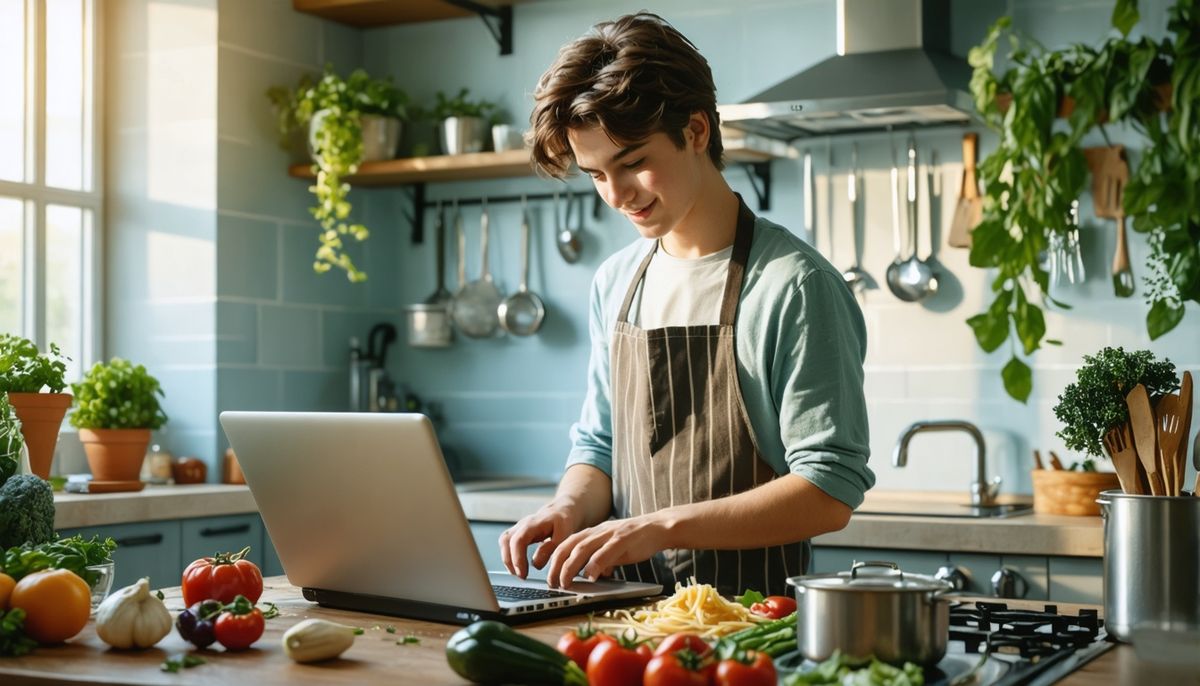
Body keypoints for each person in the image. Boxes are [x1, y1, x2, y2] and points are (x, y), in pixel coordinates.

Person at [499, 12, 874, 597]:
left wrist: (660, 529)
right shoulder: (616, 281)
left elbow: (828, 492)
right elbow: (600, 446)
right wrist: (569, 508)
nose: (617, 197)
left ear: (696, 130)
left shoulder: (794, 286)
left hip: (751, 627)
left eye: (631, 163)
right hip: (623, 623)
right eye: (596, 174)